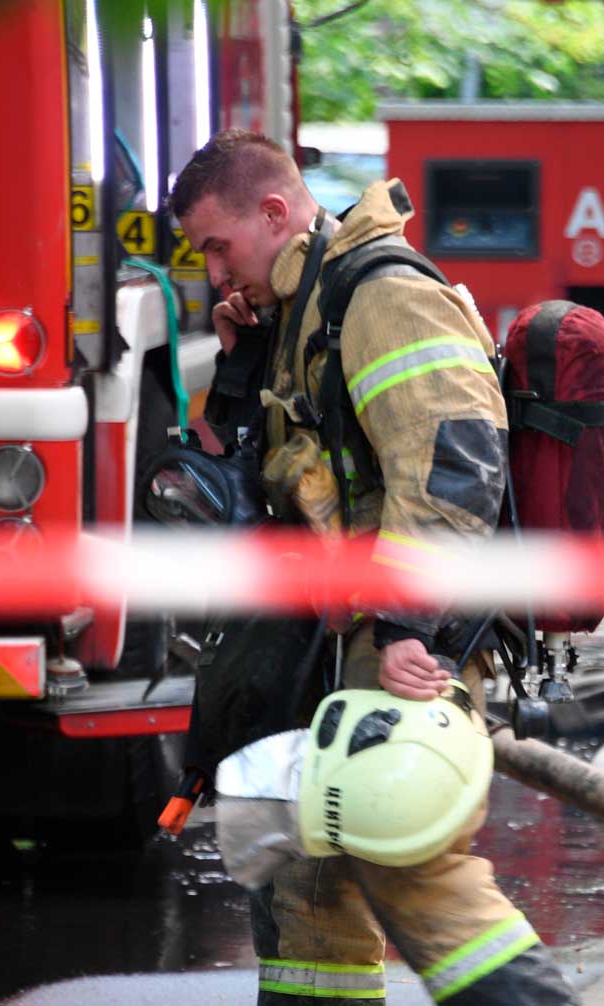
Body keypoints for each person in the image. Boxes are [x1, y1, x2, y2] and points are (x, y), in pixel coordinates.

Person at [171, 129, 578, 1005]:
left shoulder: (383, 294)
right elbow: (272, 465)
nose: (213, 270)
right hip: (334, 629)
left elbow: (456, 470)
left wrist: (404, 627)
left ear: (274, 213)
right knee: (305, 874)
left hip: (399, 630)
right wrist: (243, 359)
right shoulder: (302, 307)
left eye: (218, 245)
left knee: (403, 852)